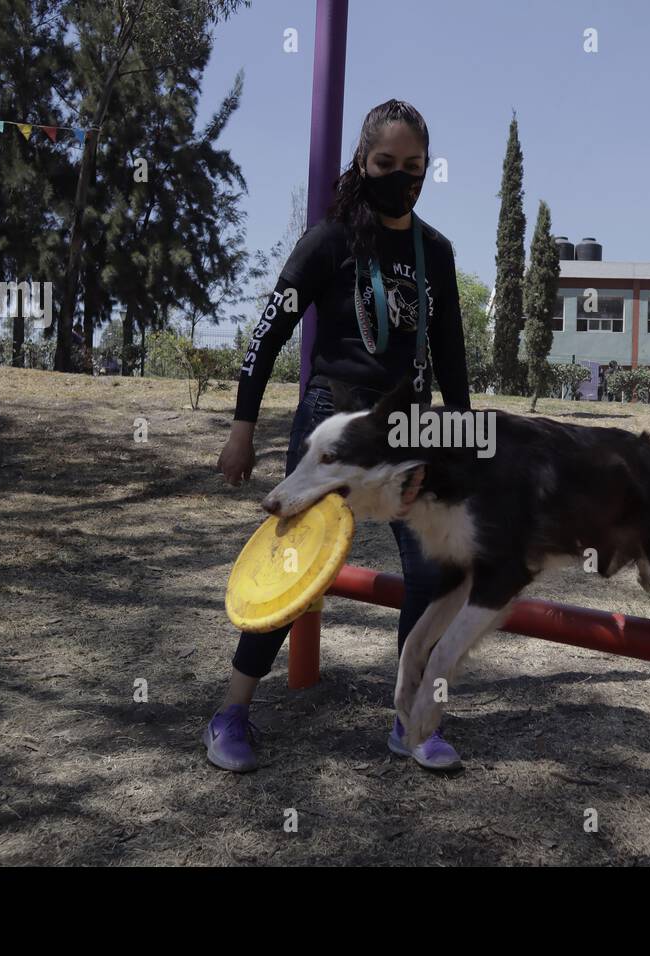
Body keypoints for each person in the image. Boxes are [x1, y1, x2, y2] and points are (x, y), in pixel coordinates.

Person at [210, 99, 471, 773]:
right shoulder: (330, 239)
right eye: (387, 163)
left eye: (414, 166)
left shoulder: (435, 253)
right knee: (295, 568)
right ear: (363, 162)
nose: (401, 176)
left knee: (430, 572)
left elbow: (452, 360)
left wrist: (465, 444)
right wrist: (242, 429)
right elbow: (266, 338)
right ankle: (232, 710)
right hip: (332, 417)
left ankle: (410, 719)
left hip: (408, 431)